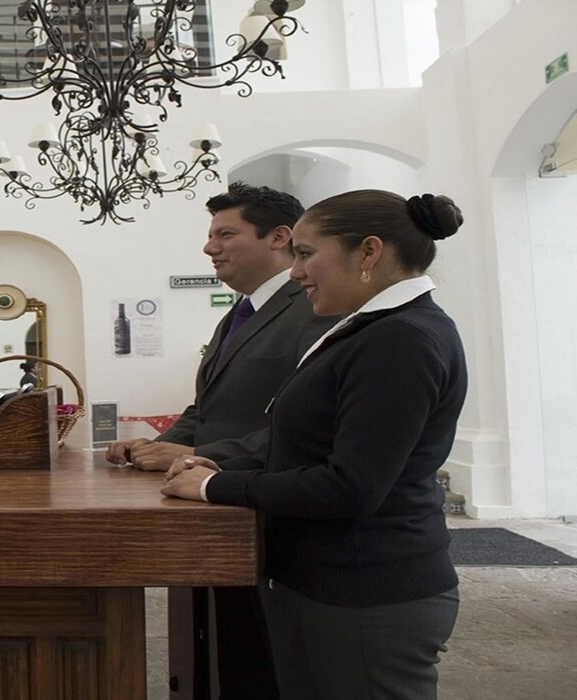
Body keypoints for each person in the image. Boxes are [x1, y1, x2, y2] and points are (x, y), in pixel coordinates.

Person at [162, 190, 467, 700]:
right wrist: (219, 461)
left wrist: (215, 487)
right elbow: (309, 441)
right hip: (323, 579)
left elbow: (350, 485)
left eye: (305, 254)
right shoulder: (367, 328)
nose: (297, 272)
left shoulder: (401, 338)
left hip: (366, 587)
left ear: (368, 252)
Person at [107, 184, 337, 699]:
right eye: (211, 236)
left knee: (268, 666)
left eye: (226, 234)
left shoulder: (310, 309)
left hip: (272, 514)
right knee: (228, 657)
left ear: (279, 237)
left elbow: (305, 422)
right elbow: (207, 408)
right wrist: (155, 446)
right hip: (219, 515)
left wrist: (204, 456)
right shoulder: (239, 313)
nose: (210, 247)